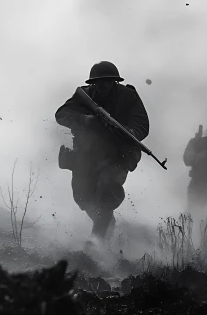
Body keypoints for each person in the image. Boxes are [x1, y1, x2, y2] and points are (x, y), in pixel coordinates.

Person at [55, 61, 150, 240]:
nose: (103, 86)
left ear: (115, 82)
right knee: (82, 196)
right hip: (87, 156)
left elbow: (142, 125)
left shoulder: (128, 96)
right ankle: (105, 222)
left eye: (108, 81)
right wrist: (84, 120)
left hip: (118, 156)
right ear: (93, 83)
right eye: (99, 82)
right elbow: (61, 115)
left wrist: (130, 132)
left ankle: (96, 240)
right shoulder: (84, 96)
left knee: (107, 190)